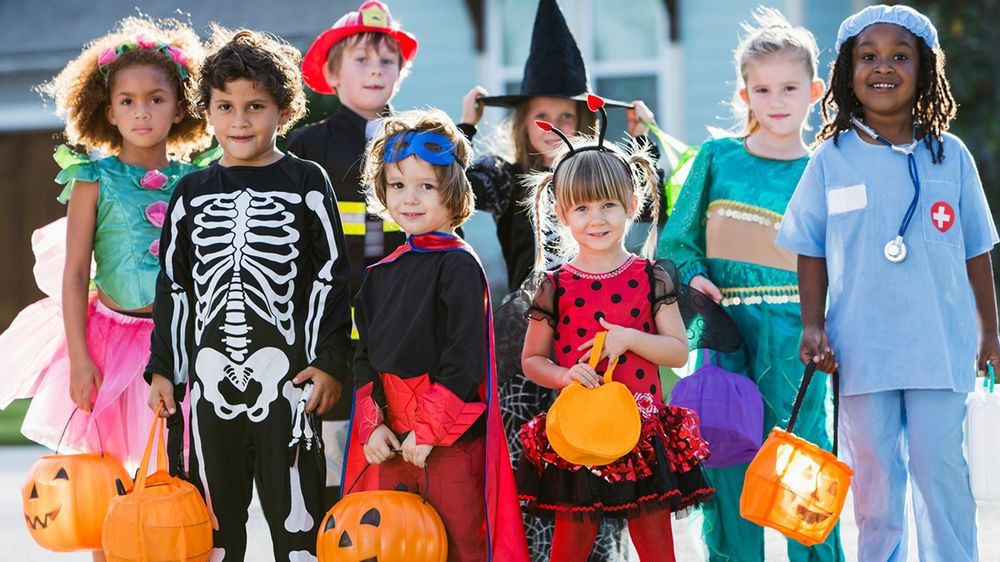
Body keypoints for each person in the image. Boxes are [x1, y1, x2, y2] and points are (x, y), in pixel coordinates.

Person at [776, 5, 998, 561]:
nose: (884, 67)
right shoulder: (831, 157)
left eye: (900, 55)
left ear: (925, 69)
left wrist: (989, 330)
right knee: (874, 483)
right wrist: (812, 324)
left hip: (939, 348)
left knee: (940, 472)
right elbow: (810, 246)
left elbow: (976, 250)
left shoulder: (953, 156)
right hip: (861, 350)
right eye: (867, 56)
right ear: (847, 73)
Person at [145, 27, 352, 560]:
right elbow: (173, 286)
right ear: (207, 111)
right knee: (212, 527)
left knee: (299, 523)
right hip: (205, 388)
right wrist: (165, 369)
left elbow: (333, 274)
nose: (239, 120)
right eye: (225, 106)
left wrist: (330, 362)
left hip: (290, 384)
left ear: (284, 112)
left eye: (255, 106)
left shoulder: (307, 182)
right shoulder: (191, 192)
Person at [457, 2, 647, 557]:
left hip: (595, 326)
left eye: (567, 118)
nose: (554, 129)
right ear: (521, 123)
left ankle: (599, 550)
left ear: (584, 123)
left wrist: (641, 139)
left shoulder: (597, 181)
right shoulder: (505, 175)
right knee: (533, 450)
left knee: (597, 447)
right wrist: (465, 127)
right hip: (527, 331)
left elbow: (646, 198)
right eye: (542, 117)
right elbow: (456, 185)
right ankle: (535, 549)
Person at [657, 8, 843, 561]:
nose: (776, 100)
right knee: (729, 460)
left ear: (814, 91)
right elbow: (677, 241)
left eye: (789, 87)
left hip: (799, 335)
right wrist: (695, 276)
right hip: (728, 333)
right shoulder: (718, 159)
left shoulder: (826, 166)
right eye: (762, 89)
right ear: (744, 96)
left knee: (802, 465)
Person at [0, 16, 210, 489]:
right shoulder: (92, 180)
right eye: (127, 102)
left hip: (178, 342)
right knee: (106, 482)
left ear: (180, 108)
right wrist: (79, 357)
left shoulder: (196, 183)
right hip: (110, 343)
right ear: (108, 112)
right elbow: (75, 274)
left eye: (156, 99)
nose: (142, 112)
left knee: (176, 472)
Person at [516, 99, 713, 562]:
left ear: (632, 204)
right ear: (563, 214)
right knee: (570, 547)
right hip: (578, 432)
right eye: (582, 207)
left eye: (608, 204)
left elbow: (677, 351)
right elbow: (532, 361)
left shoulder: (651, 276)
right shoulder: (554, 285)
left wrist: (629, 338)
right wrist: (564, 376)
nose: (597, 218)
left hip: (641, 432)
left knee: (656, 549)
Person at [343, 109, 529, 562]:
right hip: (390, 441)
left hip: (448, 442)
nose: (410, 198)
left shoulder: (459, 265)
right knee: (393, 547)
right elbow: (363, 355)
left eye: (426, 186)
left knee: (456, 543)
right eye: (397, 185)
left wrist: (427, 432)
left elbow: (464, 358)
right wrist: (372, 425)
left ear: (453, 192)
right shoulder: (380, 273)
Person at [288, 0, 417, 505]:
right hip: (332, 329)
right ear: (332, 72)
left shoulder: (418, 142)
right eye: (362, 60)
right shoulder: (306, 145)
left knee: (400, 446)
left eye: (387, 61)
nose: (376, 70)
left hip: (400, 324)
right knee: (332, 453)